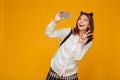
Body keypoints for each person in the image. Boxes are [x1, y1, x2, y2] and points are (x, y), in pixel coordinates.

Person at [45, 11, 94, 80]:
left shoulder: (88, 42)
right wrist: (55, 21)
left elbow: (77, 57)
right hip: (54, 71)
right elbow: (49, 33)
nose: (81, 21)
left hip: (70, 76)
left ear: (89, 25)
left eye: (85, 20)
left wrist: (80, 42)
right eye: (80, 19)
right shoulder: (68, 32)